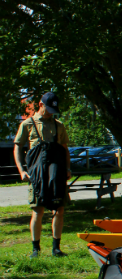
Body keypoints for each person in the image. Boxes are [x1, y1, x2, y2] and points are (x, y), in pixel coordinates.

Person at [13, 92, 71, 258]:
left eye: (53, 109)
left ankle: (56, 248)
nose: (51, 112)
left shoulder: (59, 125)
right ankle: (35, 249)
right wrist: (22, 170)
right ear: (40, 105)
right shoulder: (27, 124)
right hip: (37, 174)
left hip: (56, 172)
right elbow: (17, 146)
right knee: (38, 210)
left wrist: (68, 168)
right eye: (48, 108)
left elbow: (65, 149)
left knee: (59, 209)